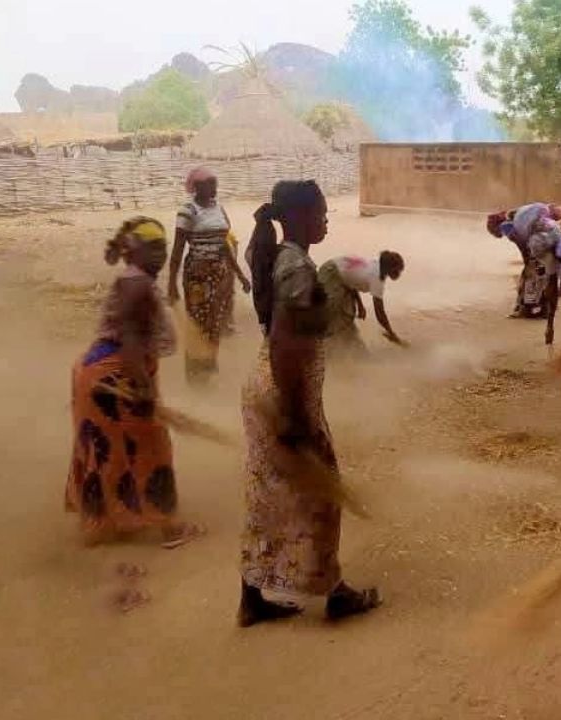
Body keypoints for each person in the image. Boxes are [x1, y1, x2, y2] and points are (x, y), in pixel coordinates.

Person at [240, 179, 380, 627]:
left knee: (268, 495)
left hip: (269, 386)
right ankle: (335, 593)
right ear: (300, 216)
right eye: (320, 212)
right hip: (285, 388)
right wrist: (295, 414)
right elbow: (286, 342)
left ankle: (253, 598)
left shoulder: (281, 259)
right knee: (321, 491)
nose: (325, 219)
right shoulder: (297, 266)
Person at [64, 217, 203, 552]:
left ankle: (102, 524)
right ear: (131, 250)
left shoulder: (134, 279)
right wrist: (143, 390)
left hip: (101, 374)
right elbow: (129, 340)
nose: (160, 253)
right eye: (152, 247)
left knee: (106, 452)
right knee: (150, 447)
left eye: (163, 246)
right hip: (116, 375)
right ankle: (169, 526)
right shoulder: (137, 284)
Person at [168, 167, 251, 385]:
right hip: (198, 275)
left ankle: (208, 365)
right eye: (210, 183)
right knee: (197, 323)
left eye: (215, 182)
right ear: (196, 187)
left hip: (220, 274)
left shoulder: (219, 209)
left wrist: (240, 275)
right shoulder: (188, 211)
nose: (215, 187)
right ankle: (195, 374)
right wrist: (171, 284)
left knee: (216, 322)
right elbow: (177, 249)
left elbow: (224, 244)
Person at [317, 251, 407, 355]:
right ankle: (321, 351)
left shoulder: (376, 265)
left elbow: (352, 280)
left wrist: (360, 305)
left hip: (341, 278)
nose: (399, 273)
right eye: (398, 269)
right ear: (389, 268)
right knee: (332, 315)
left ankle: (356, 354)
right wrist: (392, 333)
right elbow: (380, 313)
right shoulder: (377, 279)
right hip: (331, 273)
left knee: (347, 316)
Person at [502, 203, 561, 344]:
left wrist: (529, 263)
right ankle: (544, 310)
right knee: (547, 277)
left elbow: (524, 249)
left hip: (540, 245)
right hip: (554, 238)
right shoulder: (540, 221)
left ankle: (528, 309)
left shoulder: (516, 229)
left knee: (534, 278)